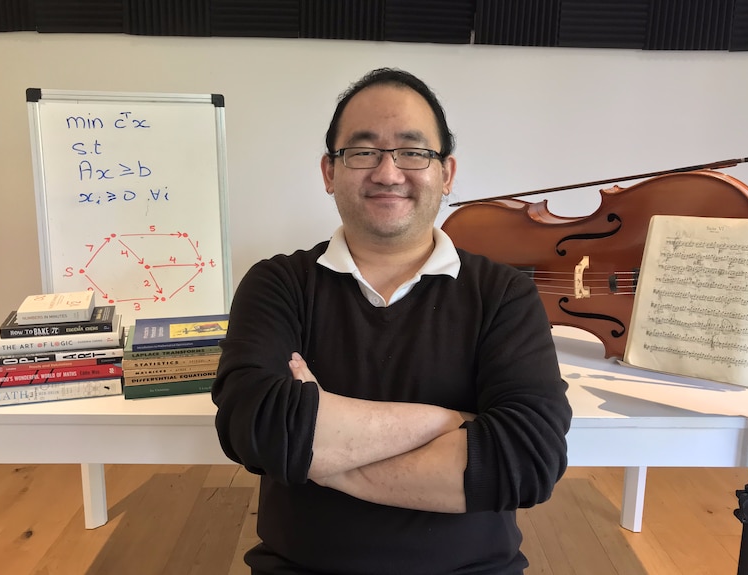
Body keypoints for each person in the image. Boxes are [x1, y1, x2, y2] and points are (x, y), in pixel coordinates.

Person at [212, 68, 572, 575]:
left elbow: (526, 460)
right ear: (329, 172)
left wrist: (319, 448)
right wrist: (448, 422)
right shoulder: (278, 283)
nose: (387, 172)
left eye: (413, 152)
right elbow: (256, 429)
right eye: (362, 152)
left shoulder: (503, 294)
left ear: (446, 173)